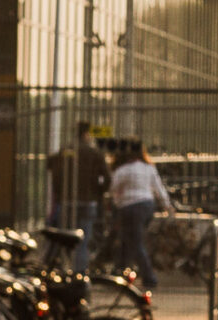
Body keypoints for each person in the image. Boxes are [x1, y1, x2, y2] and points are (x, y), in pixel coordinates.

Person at [107, 141, 172, 291]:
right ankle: (120, 268)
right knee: (129, 238)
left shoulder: (122, 170)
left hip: (128, 207)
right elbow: (158, 187)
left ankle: (148, 276)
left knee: (134, 241)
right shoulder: (148, 168)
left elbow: (113, 188)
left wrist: (117, 202)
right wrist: (167, 204)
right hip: (147, 205)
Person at [46, 122, 111, 274]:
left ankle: (61, 269)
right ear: (87, 134)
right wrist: (97, 192)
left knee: (64, 238)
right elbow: (107, 178)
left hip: (67, 200)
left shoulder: (66, 151)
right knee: (83, 240)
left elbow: (55, 172)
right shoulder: (95, 153)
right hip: (88, 201)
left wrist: (61, 193)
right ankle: (79, 273)